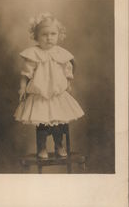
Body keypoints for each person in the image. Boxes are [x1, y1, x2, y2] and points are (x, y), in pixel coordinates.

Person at [14, 12, 84, 159]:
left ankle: (59, 145)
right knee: (42, 125)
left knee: (58, 123)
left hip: (57, 95)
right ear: (36, 36)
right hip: (40, 95)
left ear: (59, 35)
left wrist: (68, 85)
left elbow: (68, 72)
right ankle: (42, 148)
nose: (49, 37)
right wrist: (22, 87)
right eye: (44, 34)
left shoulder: (62, 54)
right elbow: (26, 74)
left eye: (53, 34)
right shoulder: (34, 54)